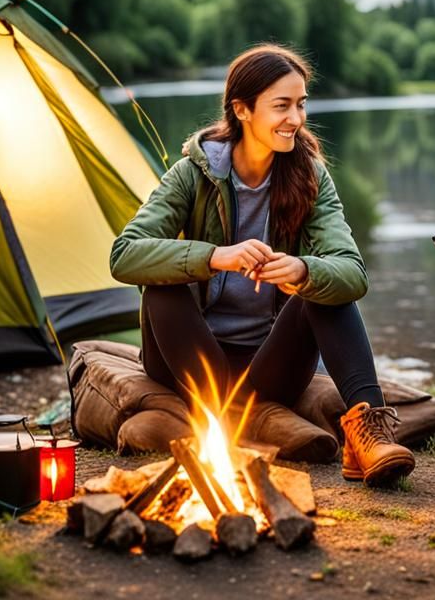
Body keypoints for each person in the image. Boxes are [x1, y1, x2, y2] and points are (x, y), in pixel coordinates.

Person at [109, 44, 414, 486]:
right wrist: (214, 257)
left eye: (301, 104)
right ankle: (224, 418)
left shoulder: (309, 175)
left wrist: (303, 270)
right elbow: (124, 254)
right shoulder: (191, 174)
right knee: (162, 285)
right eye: (282, 106)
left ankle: (369, 435)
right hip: (186, 362)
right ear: (242, 109)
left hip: (266, 368)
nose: (296, 118)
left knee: (326, 289)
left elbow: (352, 271)